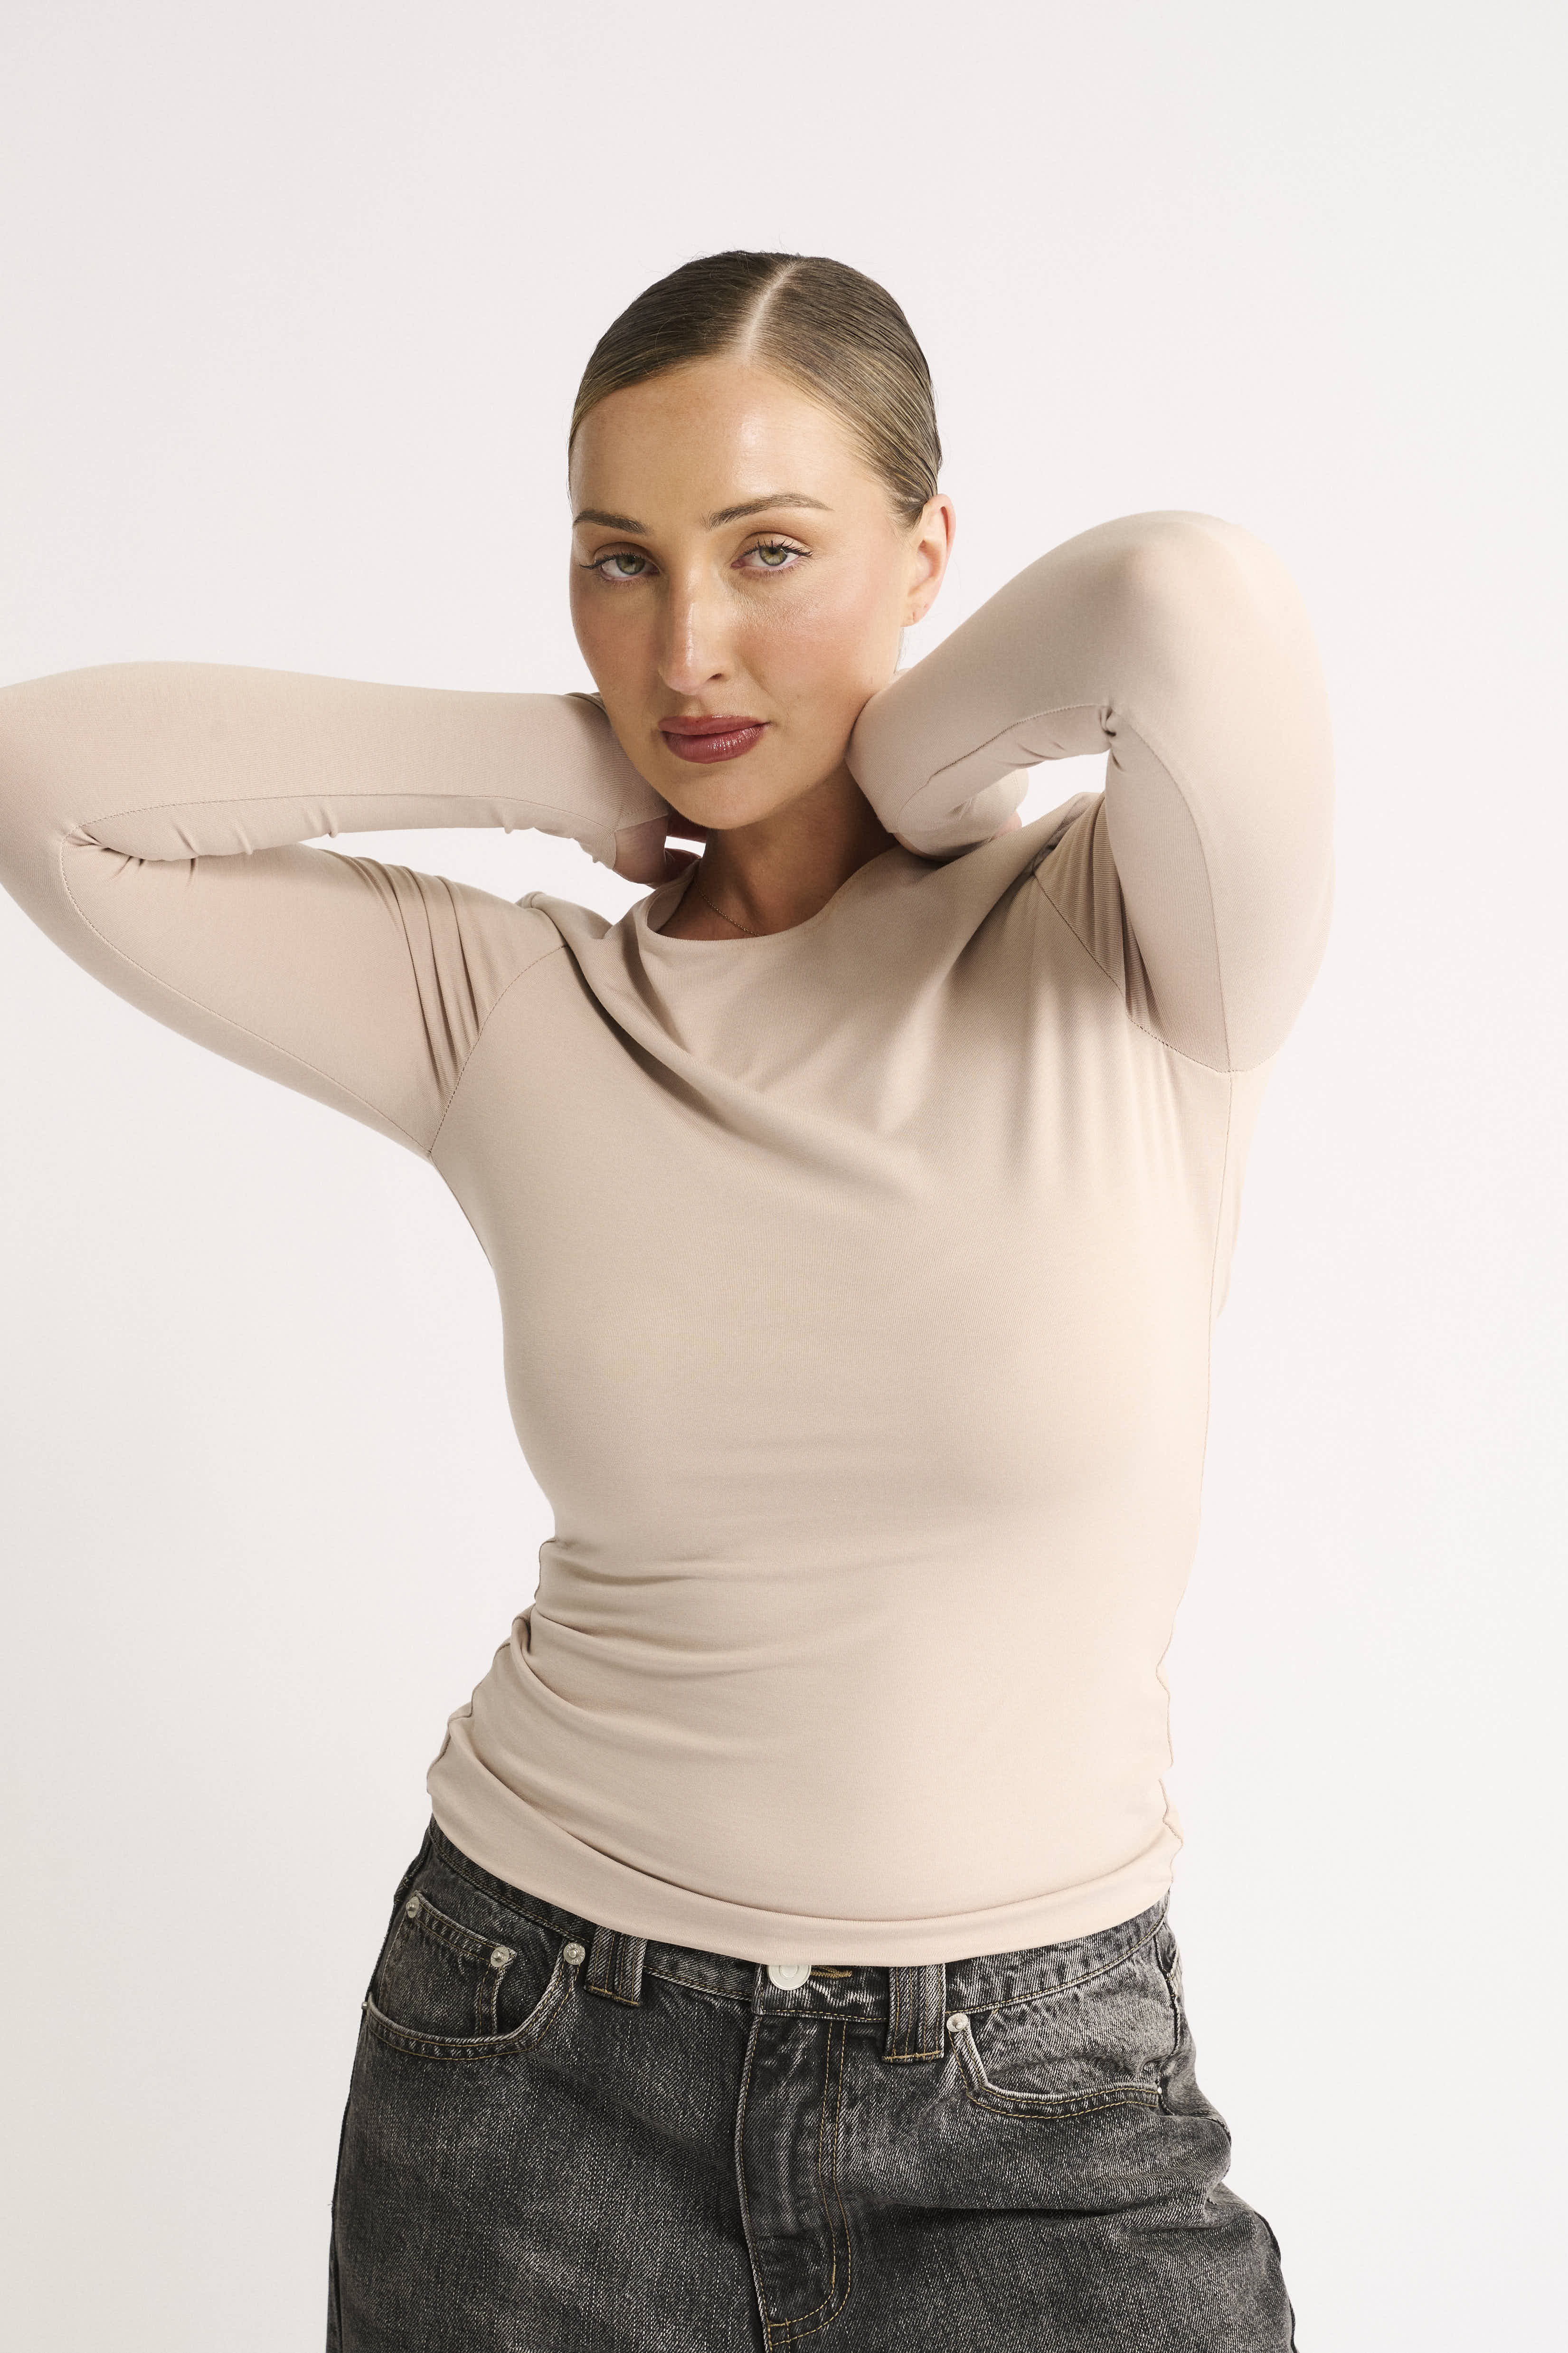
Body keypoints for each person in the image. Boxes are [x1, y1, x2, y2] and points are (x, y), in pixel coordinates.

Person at [0, 249, 1333, 2351]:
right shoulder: (503, 1005)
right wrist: (557, 768)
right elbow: (44, 783)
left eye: (769, 550)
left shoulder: (1127, 930)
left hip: (1042, 2107)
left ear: (929, 556)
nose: (687, 643)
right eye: (619, 563)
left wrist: (906, 775)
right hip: (537, 2062)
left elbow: (1187, 598)